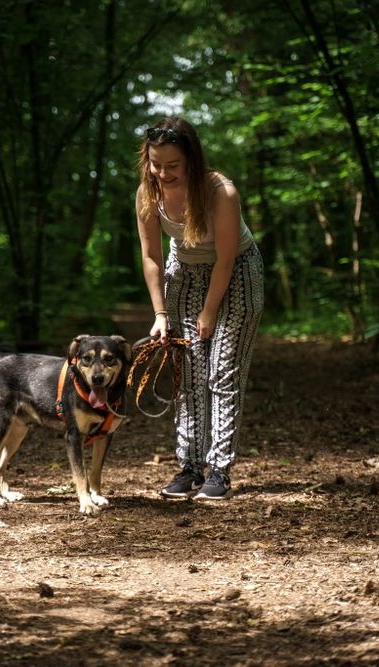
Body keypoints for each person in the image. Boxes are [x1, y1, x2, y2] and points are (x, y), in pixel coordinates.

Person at [135, 116, 264, 501]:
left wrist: (209, 313)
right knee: (188, 373)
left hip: (236, 273)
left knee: (222, 372)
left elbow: (225, 259)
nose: (163, 173)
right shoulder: (147, 193)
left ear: (191, 159)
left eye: (172, 165)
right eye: (156, 164)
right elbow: (152, 257)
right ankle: (189, 466)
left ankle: (219, 471)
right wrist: (160, 314)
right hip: (185, 275)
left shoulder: (219, 191)